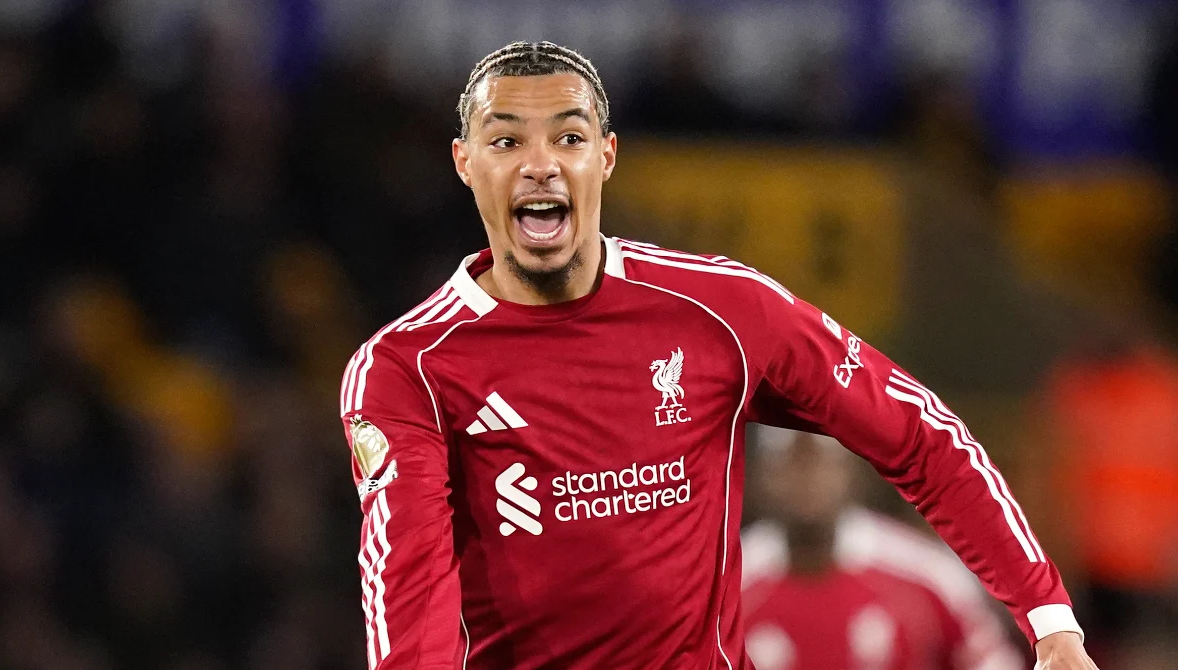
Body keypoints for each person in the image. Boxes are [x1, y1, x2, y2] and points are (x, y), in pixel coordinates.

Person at [338, 41, 1097, 669]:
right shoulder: (408, 369)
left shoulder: (721, 311)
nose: (541, 164)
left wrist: (1049, 617)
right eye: (506, 141)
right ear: (465, 161)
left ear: (606, 156)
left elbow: (918, 434)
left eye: (568, 138)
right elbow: (411, 589)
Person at [740, 426, 1027, 670]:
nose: (807, 480)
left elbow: (994, 661)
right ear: (761, 476)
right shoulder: (729, 585)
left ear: (850, 470)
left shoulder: (923, 574)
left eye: (821, 463)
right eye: (791, 464)